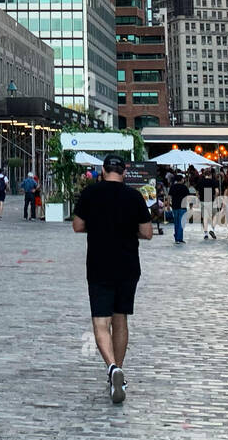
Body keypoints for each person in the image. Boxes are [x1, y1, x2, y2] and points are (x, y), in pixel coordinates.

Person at [72, 154, 153, 404]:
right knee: (120, 319)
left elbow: (77, 226)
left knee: (100, 322)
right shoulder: (134, 196)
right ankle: (118, 371)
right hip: (128, 265)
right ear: (124, 171)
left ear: (103, 170)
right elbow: (147, 232)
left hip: (99, 264)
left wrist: (97, 227)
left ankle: (112, 368)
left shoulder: (90, 193)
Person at [168, 174, 192, 245]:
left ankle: (177, 238)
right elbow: (188, 197)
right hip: (183, 207)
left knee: (176, 222)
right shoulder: (184, 187)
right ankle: (179, 238)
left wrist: (168, 205)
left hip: (175, 206)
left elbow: (169, 196)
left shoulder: (172, 187)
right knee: (181, 223)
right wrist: (191, 205)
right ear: (181, 180)